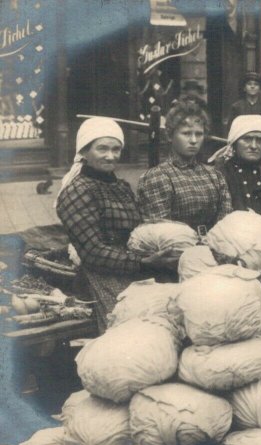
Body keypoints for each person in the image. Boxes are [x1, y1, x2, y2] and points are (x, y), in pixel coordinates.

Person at [55, 118, 178, 331]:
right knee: (140, 327)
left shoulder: (121, 186)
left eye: (116, 149)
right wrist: (144, 263)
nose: (110, 156)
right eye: (102, 148)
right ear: (83, 151)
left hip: (139, 264)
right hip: (101, 274)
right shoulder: (77, 191)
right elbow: (92, 252)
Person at [138, 99, 233, 232]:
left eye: (199, 134)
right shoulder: (158, 176)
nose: (194, 140)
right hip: (176, 248)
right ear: (170, 136)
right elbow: (161, 230)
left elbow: (225, 220)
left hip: (216, 244)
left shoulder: (215, 175)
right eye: (186, 133)